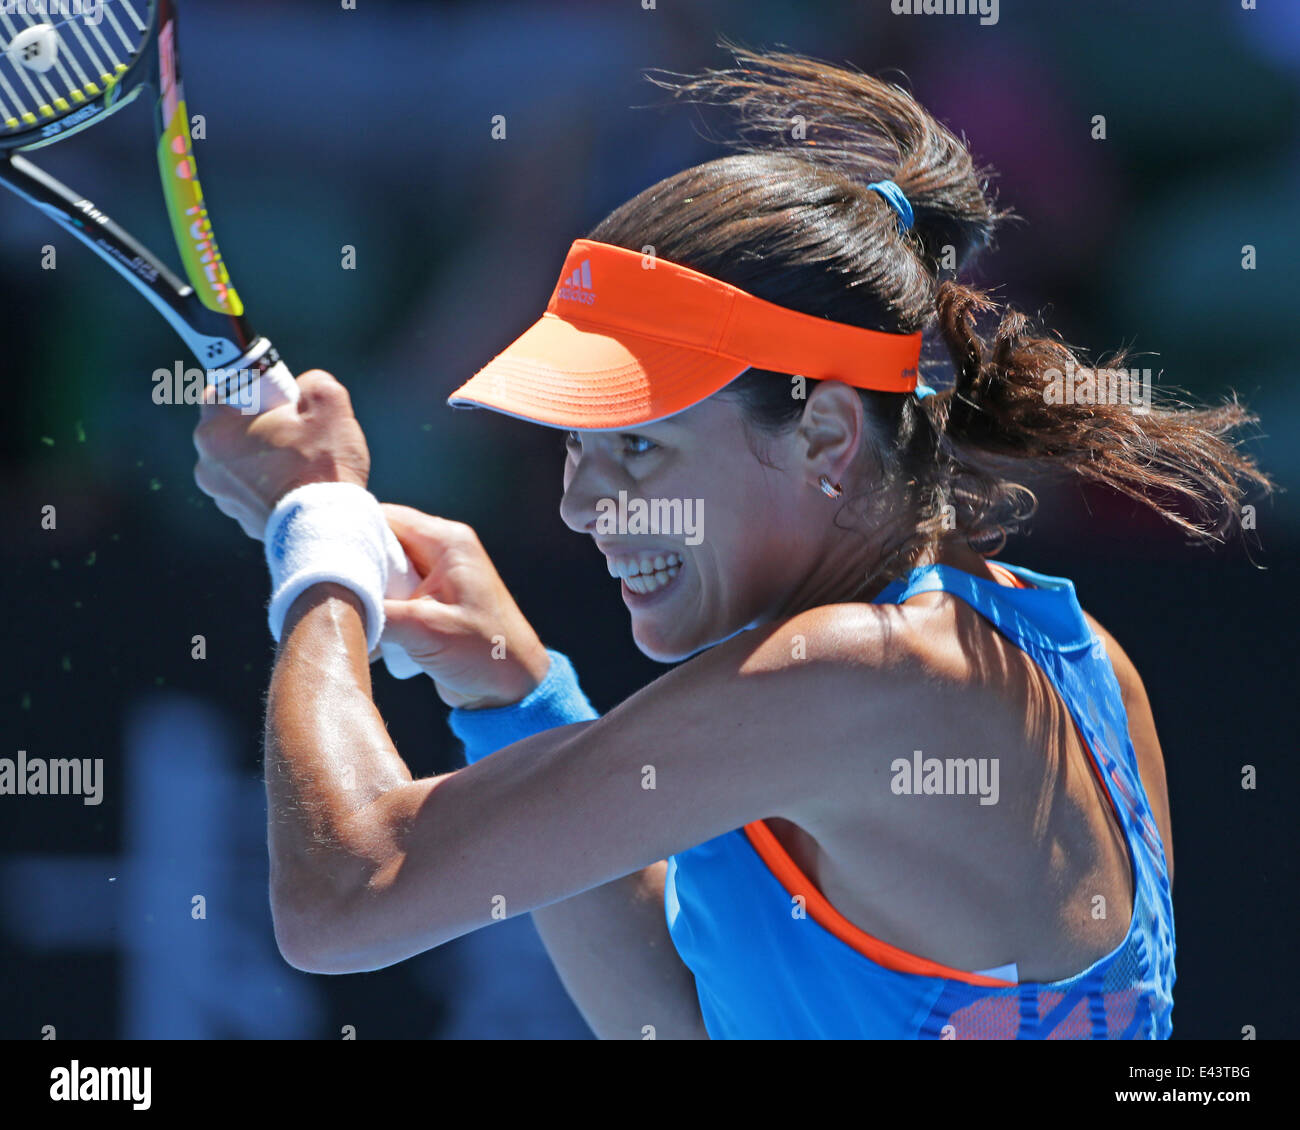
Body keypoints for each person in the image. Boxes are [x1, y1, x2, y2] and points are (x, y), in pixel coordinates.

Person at [191, 45, 1273, 1038]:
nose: (581, 505)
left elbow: (344, 893)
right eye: (576, 447)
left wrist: (318, 537)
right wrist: (509, 691)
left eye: (641, 450)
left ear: (825, 431)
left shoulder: (860, 678)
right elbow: (684, 1019)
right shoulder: (1070, 656)